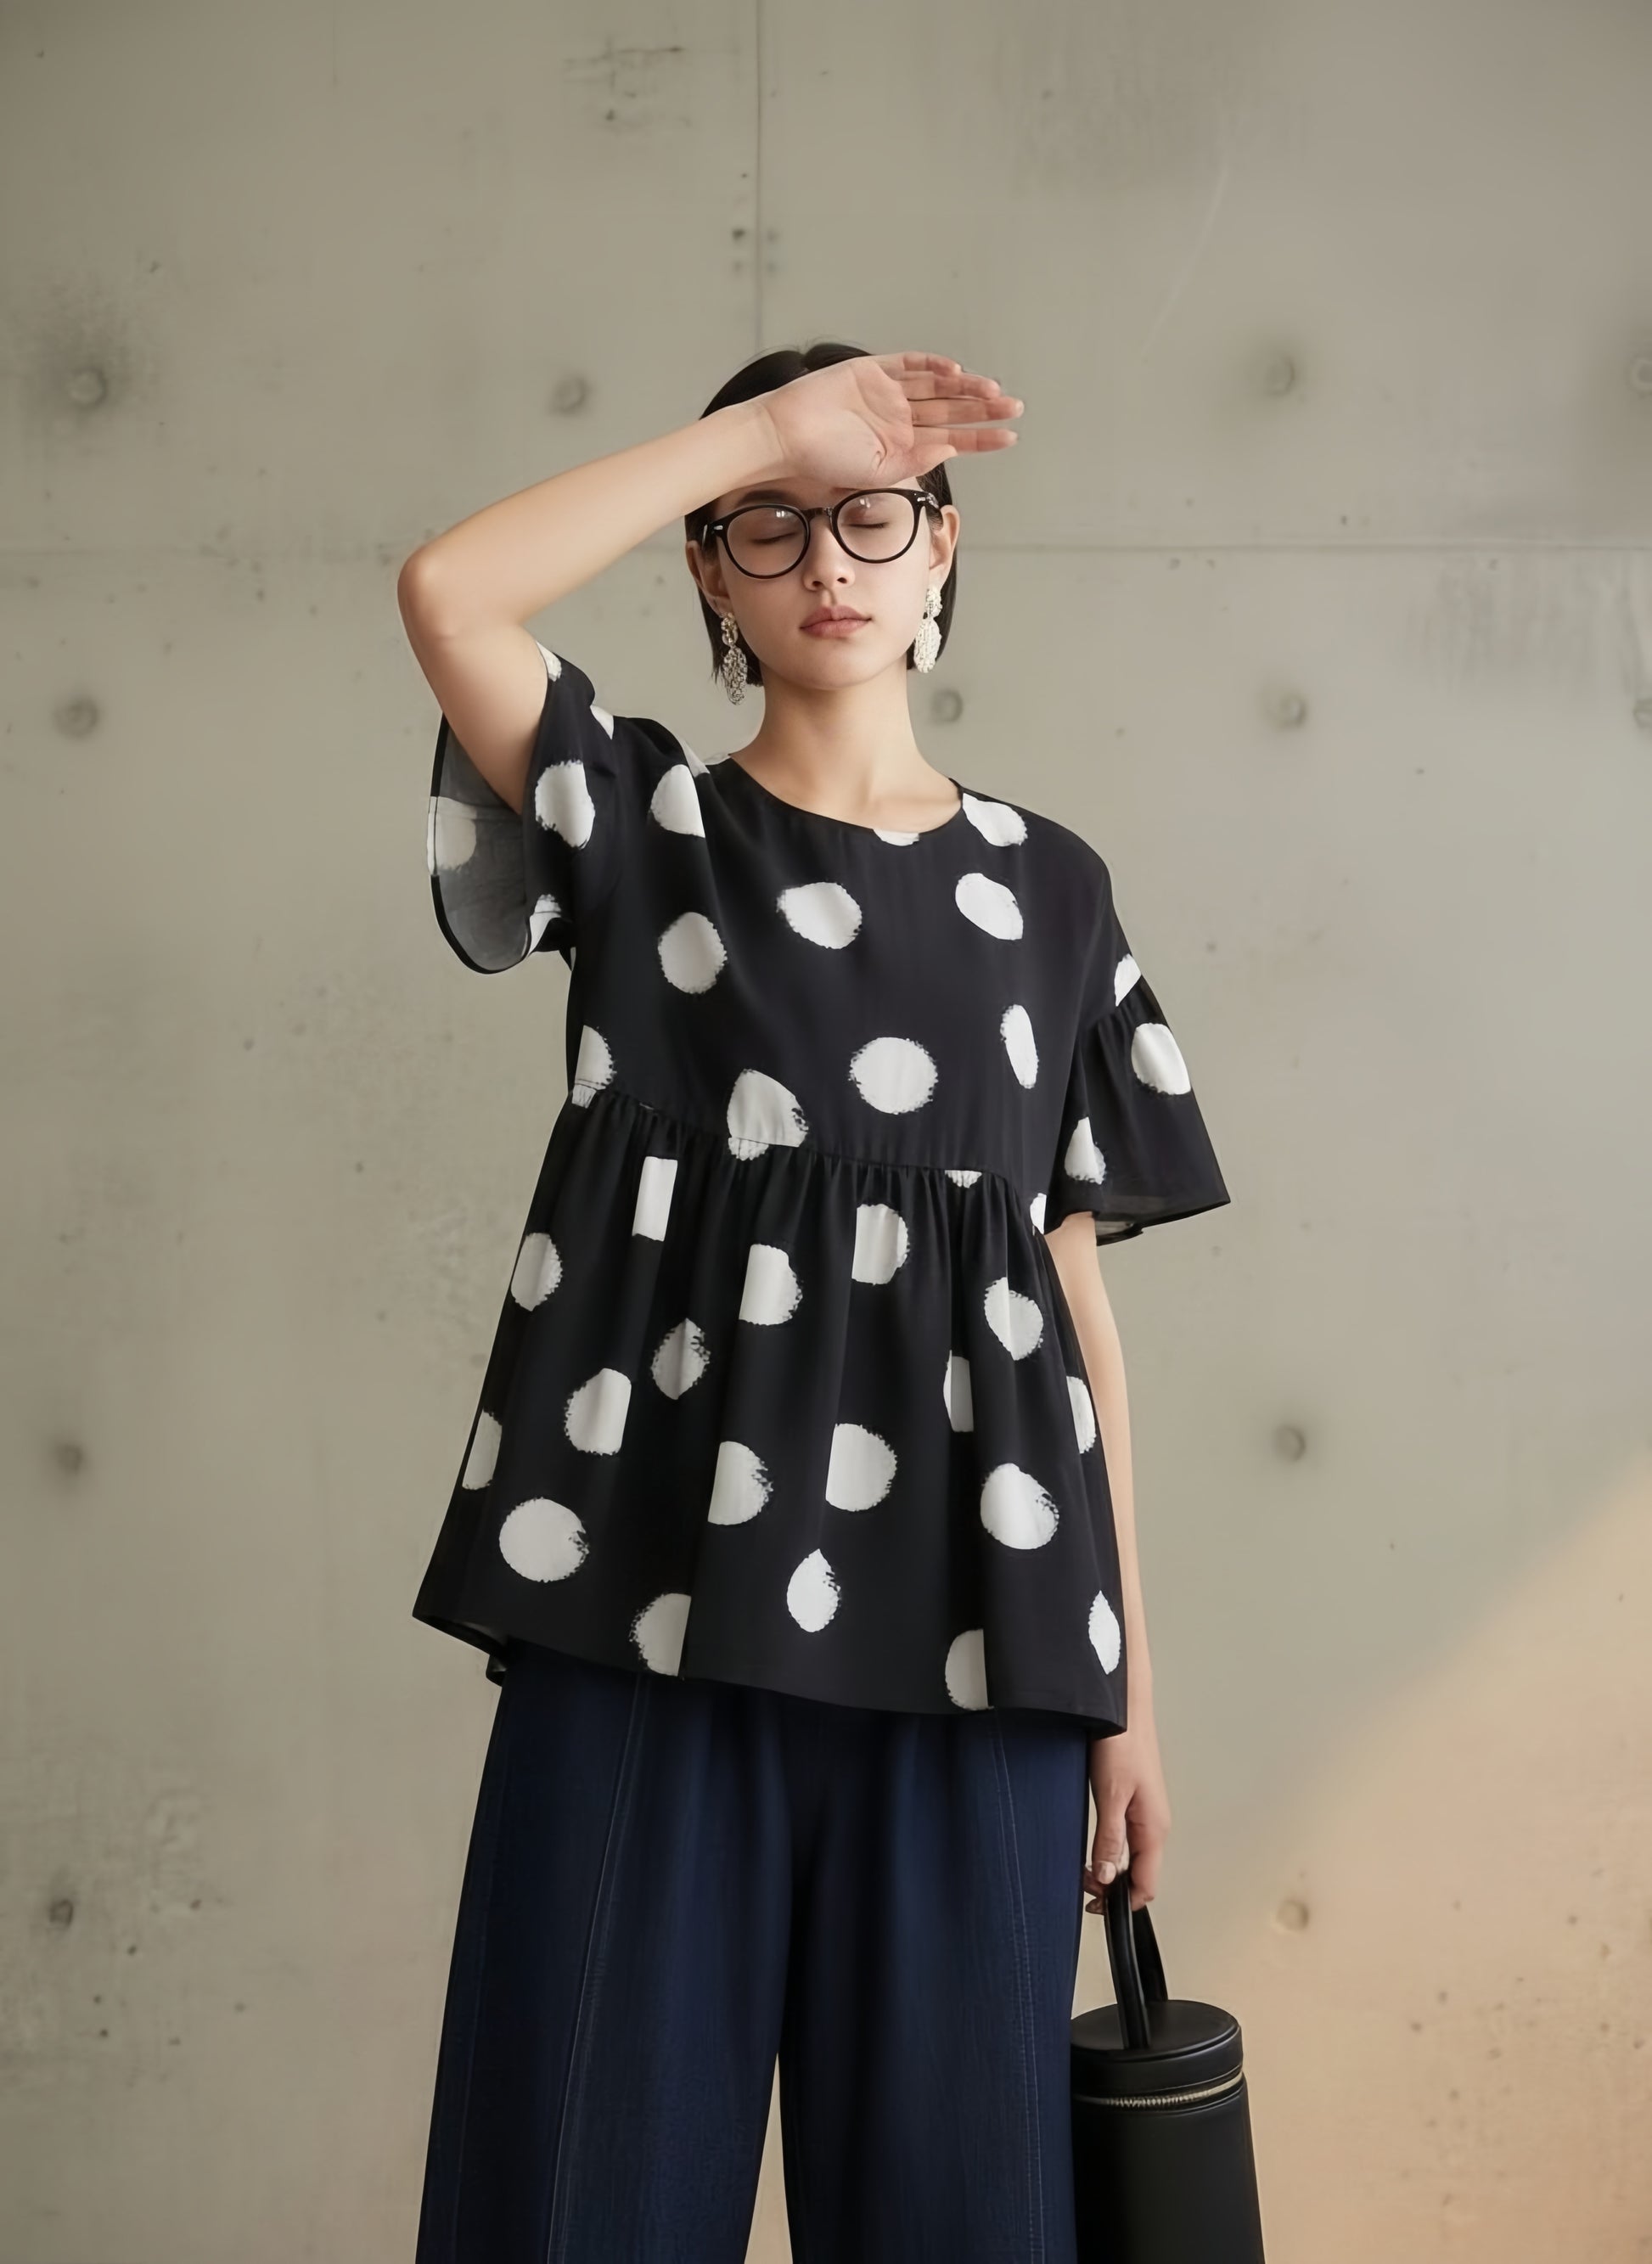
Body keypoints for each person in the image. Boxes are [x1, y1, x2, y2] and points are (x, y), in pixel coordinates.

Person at [397, 341, 1230, 2264]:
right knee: (577, 2199)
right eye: (766, 530)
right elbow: (451, 590)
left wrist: (1127, 1692)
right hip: (649, 1610)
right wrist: (769, 430)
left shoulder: (1052, 892)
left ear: (943, 547)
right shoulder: (646, 829)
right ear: (708, 571)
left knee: (961, 2214)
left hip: (986, 1639)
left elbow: (1071, 1319)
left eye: (871, 518)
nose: (826, 563)